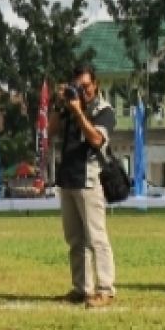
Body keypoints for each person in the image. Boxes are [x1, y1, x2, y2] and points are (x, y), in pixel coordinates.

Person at [48, 65, 117, 308]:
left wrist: (78, 112)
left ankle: (105, 288)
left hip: (89, 178)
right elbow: (50, 131)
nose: (83, 91)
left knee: (96, 238)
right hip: (67, 178)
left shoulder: (104, 110)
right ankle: (82, 288)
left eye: (86, 86)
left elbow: (97, 140)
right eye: (78, 86)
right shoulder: (68, 106)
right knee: (75, 239)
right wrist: (59, 105)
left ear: (95, 85)